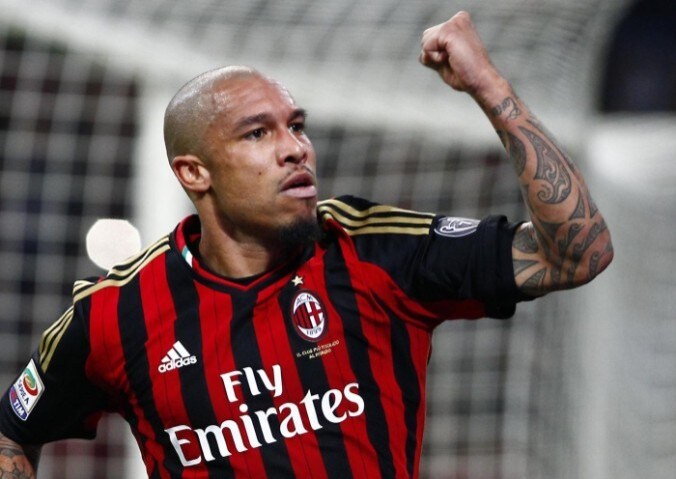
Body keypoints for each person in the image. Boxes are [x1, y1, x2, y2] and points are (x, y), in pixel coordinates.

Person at [0, 11, 613, 479]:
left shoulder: (371, 250)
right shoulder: (115, 311)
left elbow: (578, 252)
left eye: (296, 126)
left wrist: (489, 86)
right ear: (194, 173)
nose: (295, 148)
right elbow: (12, 431)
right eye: (257, 133)